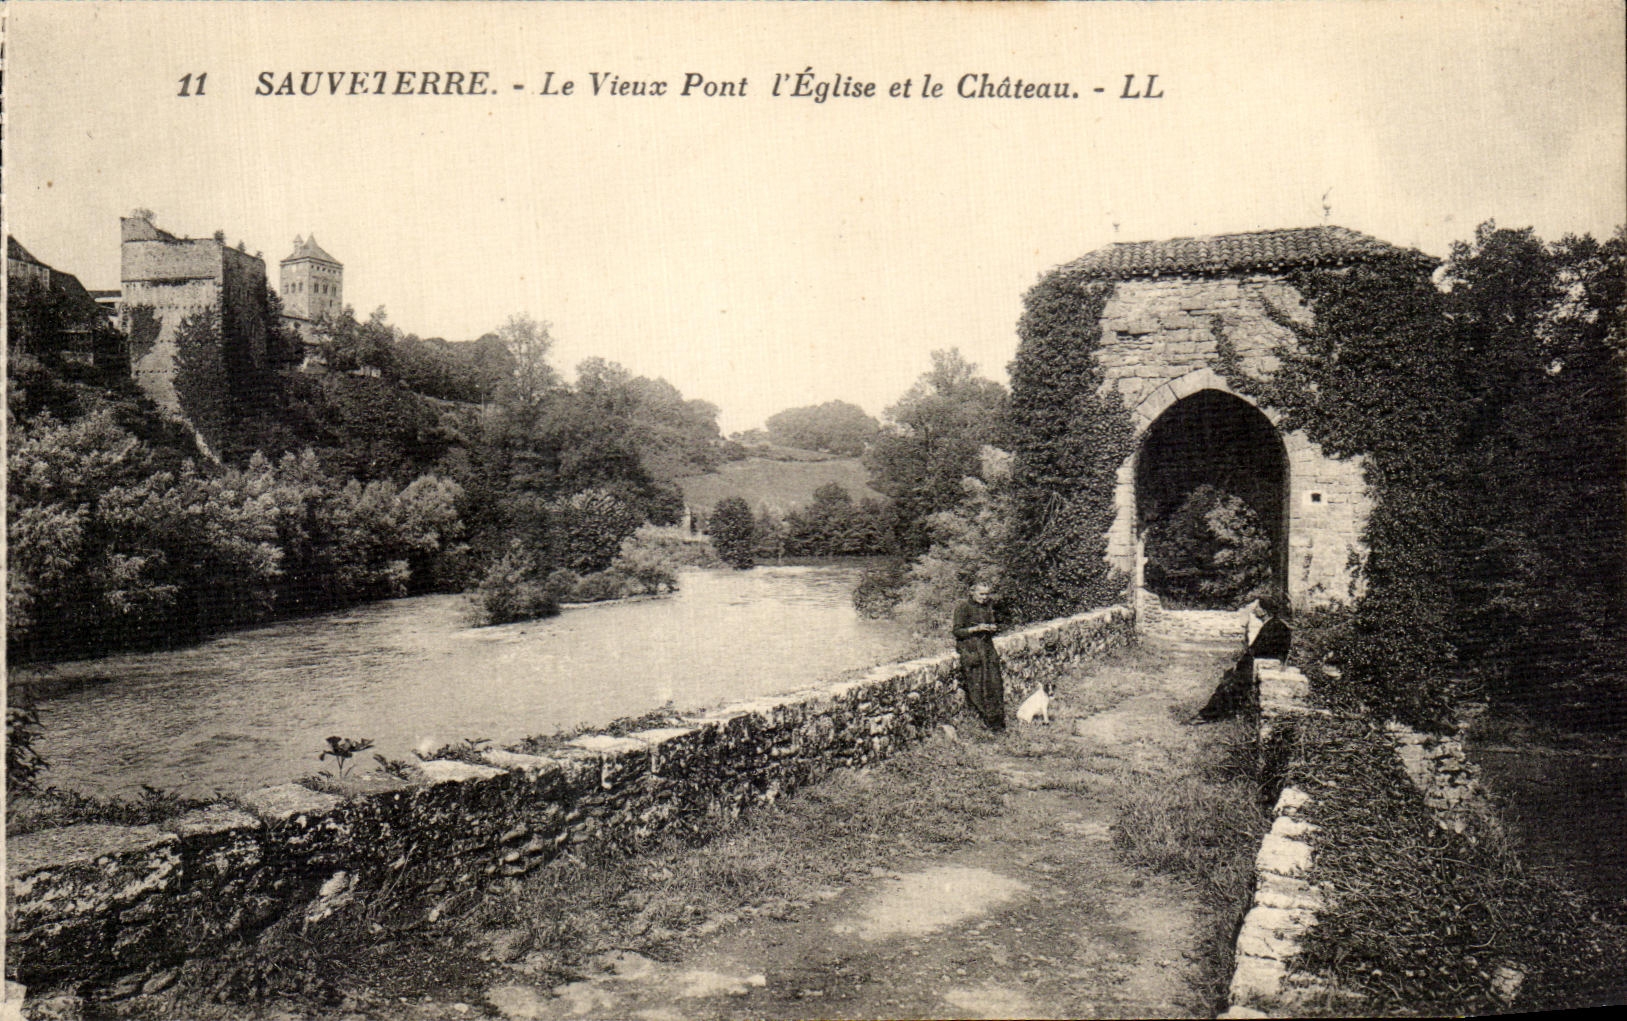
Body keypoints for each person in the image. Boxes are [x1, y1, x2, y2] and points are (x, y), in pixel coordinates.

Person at [1193, 591, 1293, 723]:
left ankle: (1208, 715)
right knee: (1229, 677)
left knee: (1229, 683)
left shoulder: (1274, 627)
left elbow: (1259, 651)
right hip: (1261, 663)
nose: (1254, 610)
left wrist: (1240, 666)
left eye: (1257, 607)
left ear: (1264, 611)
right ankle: (1212, 713)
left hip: (1263, 665)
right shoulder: (1274, 624)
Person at [952, 580, 1005, 732]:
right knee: (977, 684)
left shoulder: (987, 607)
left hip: (987, 649)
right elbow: (957, 631)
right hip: (971, 649)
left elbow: (994, 624)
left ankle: (996, 722)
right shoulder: (962, 607)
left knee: (994, 684)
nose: (984, 597)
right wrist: (976, 629)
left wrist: (993, 627)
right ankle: (984, 720)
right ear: (972, 592)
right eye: (981, 594)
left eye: (987, 594)